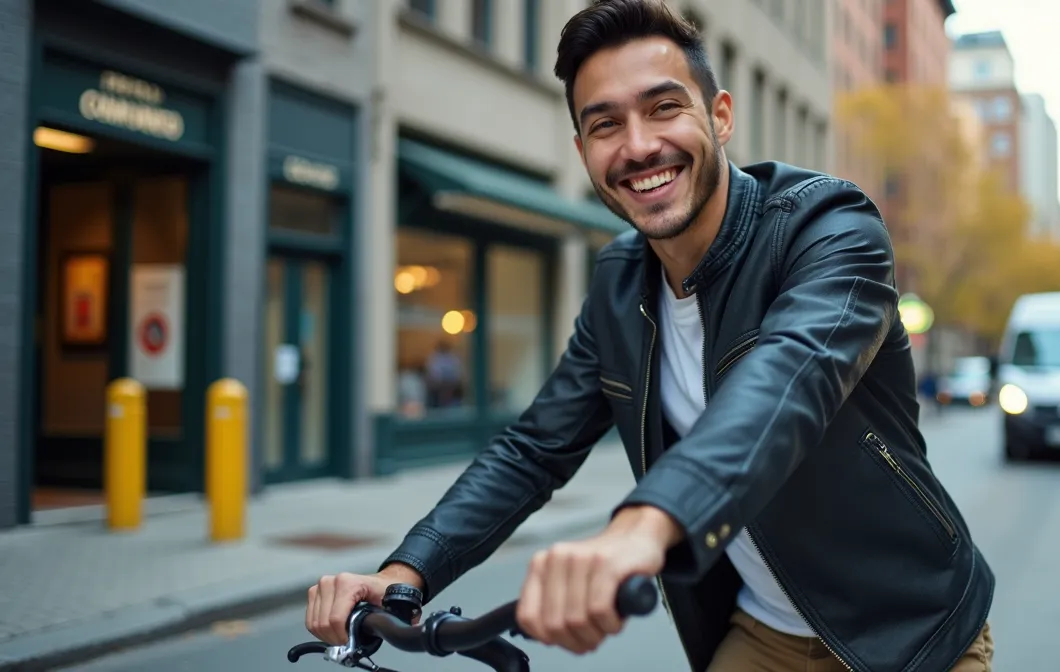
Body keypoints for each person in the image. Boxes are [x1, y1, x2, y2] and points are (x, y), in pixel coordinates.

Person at [304, 2, 995, 670]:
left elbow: (786, 384)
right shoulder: (619, 283)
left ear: (719, 116)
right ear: (582, 151)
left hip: (913, 634)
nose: (638, 147)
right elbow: (533, 450)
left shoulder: (831, 229)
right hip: (762, 637)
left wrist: (639, 529)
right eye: (606, 125)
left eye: (664, 108)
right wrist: (405, 571)